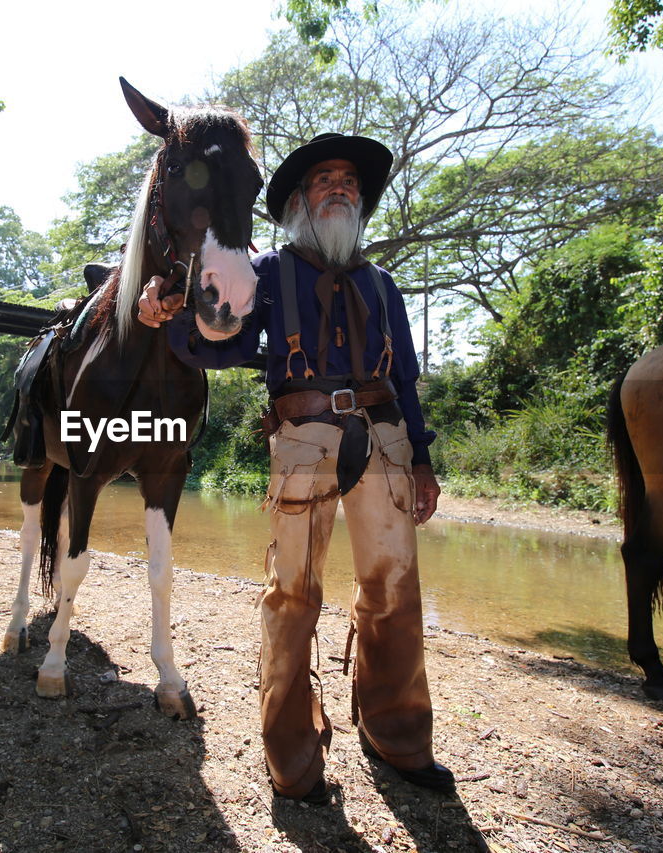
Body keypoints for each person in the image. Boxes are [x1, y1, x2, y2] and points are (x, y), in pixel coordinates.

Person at [138, 133, 454, 804]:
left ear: (359, 202)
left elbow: (405, 379)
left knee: (394, 593)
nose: (338, 187)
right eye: (323, 180)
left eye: (348, 181)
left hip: (387, 437)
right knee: (292, 596)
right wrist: (169, 316)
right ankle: (293, 758)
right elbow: (217, 344)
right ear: (299, 202)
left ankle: (396, 735)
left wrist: (422, 460)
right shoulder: (269, 273)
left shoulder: (384, 284)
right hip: (303, 437)